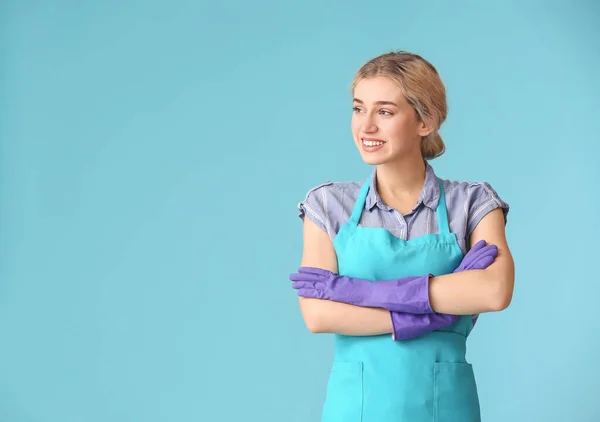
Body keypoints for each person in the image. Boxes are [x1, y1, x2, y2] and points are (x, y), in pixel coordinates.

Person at [289, 51, 514, 422]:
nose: (366, 126)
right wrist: (427, 315)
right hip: (357, 408)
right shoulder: (327, 205)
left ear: (425, 121)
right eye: (359, 109)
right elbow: (317, 314)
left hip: (445, 407)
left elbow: (493, 291)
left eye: (385, 112)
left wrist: (361, 293)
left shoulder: (473, 202)